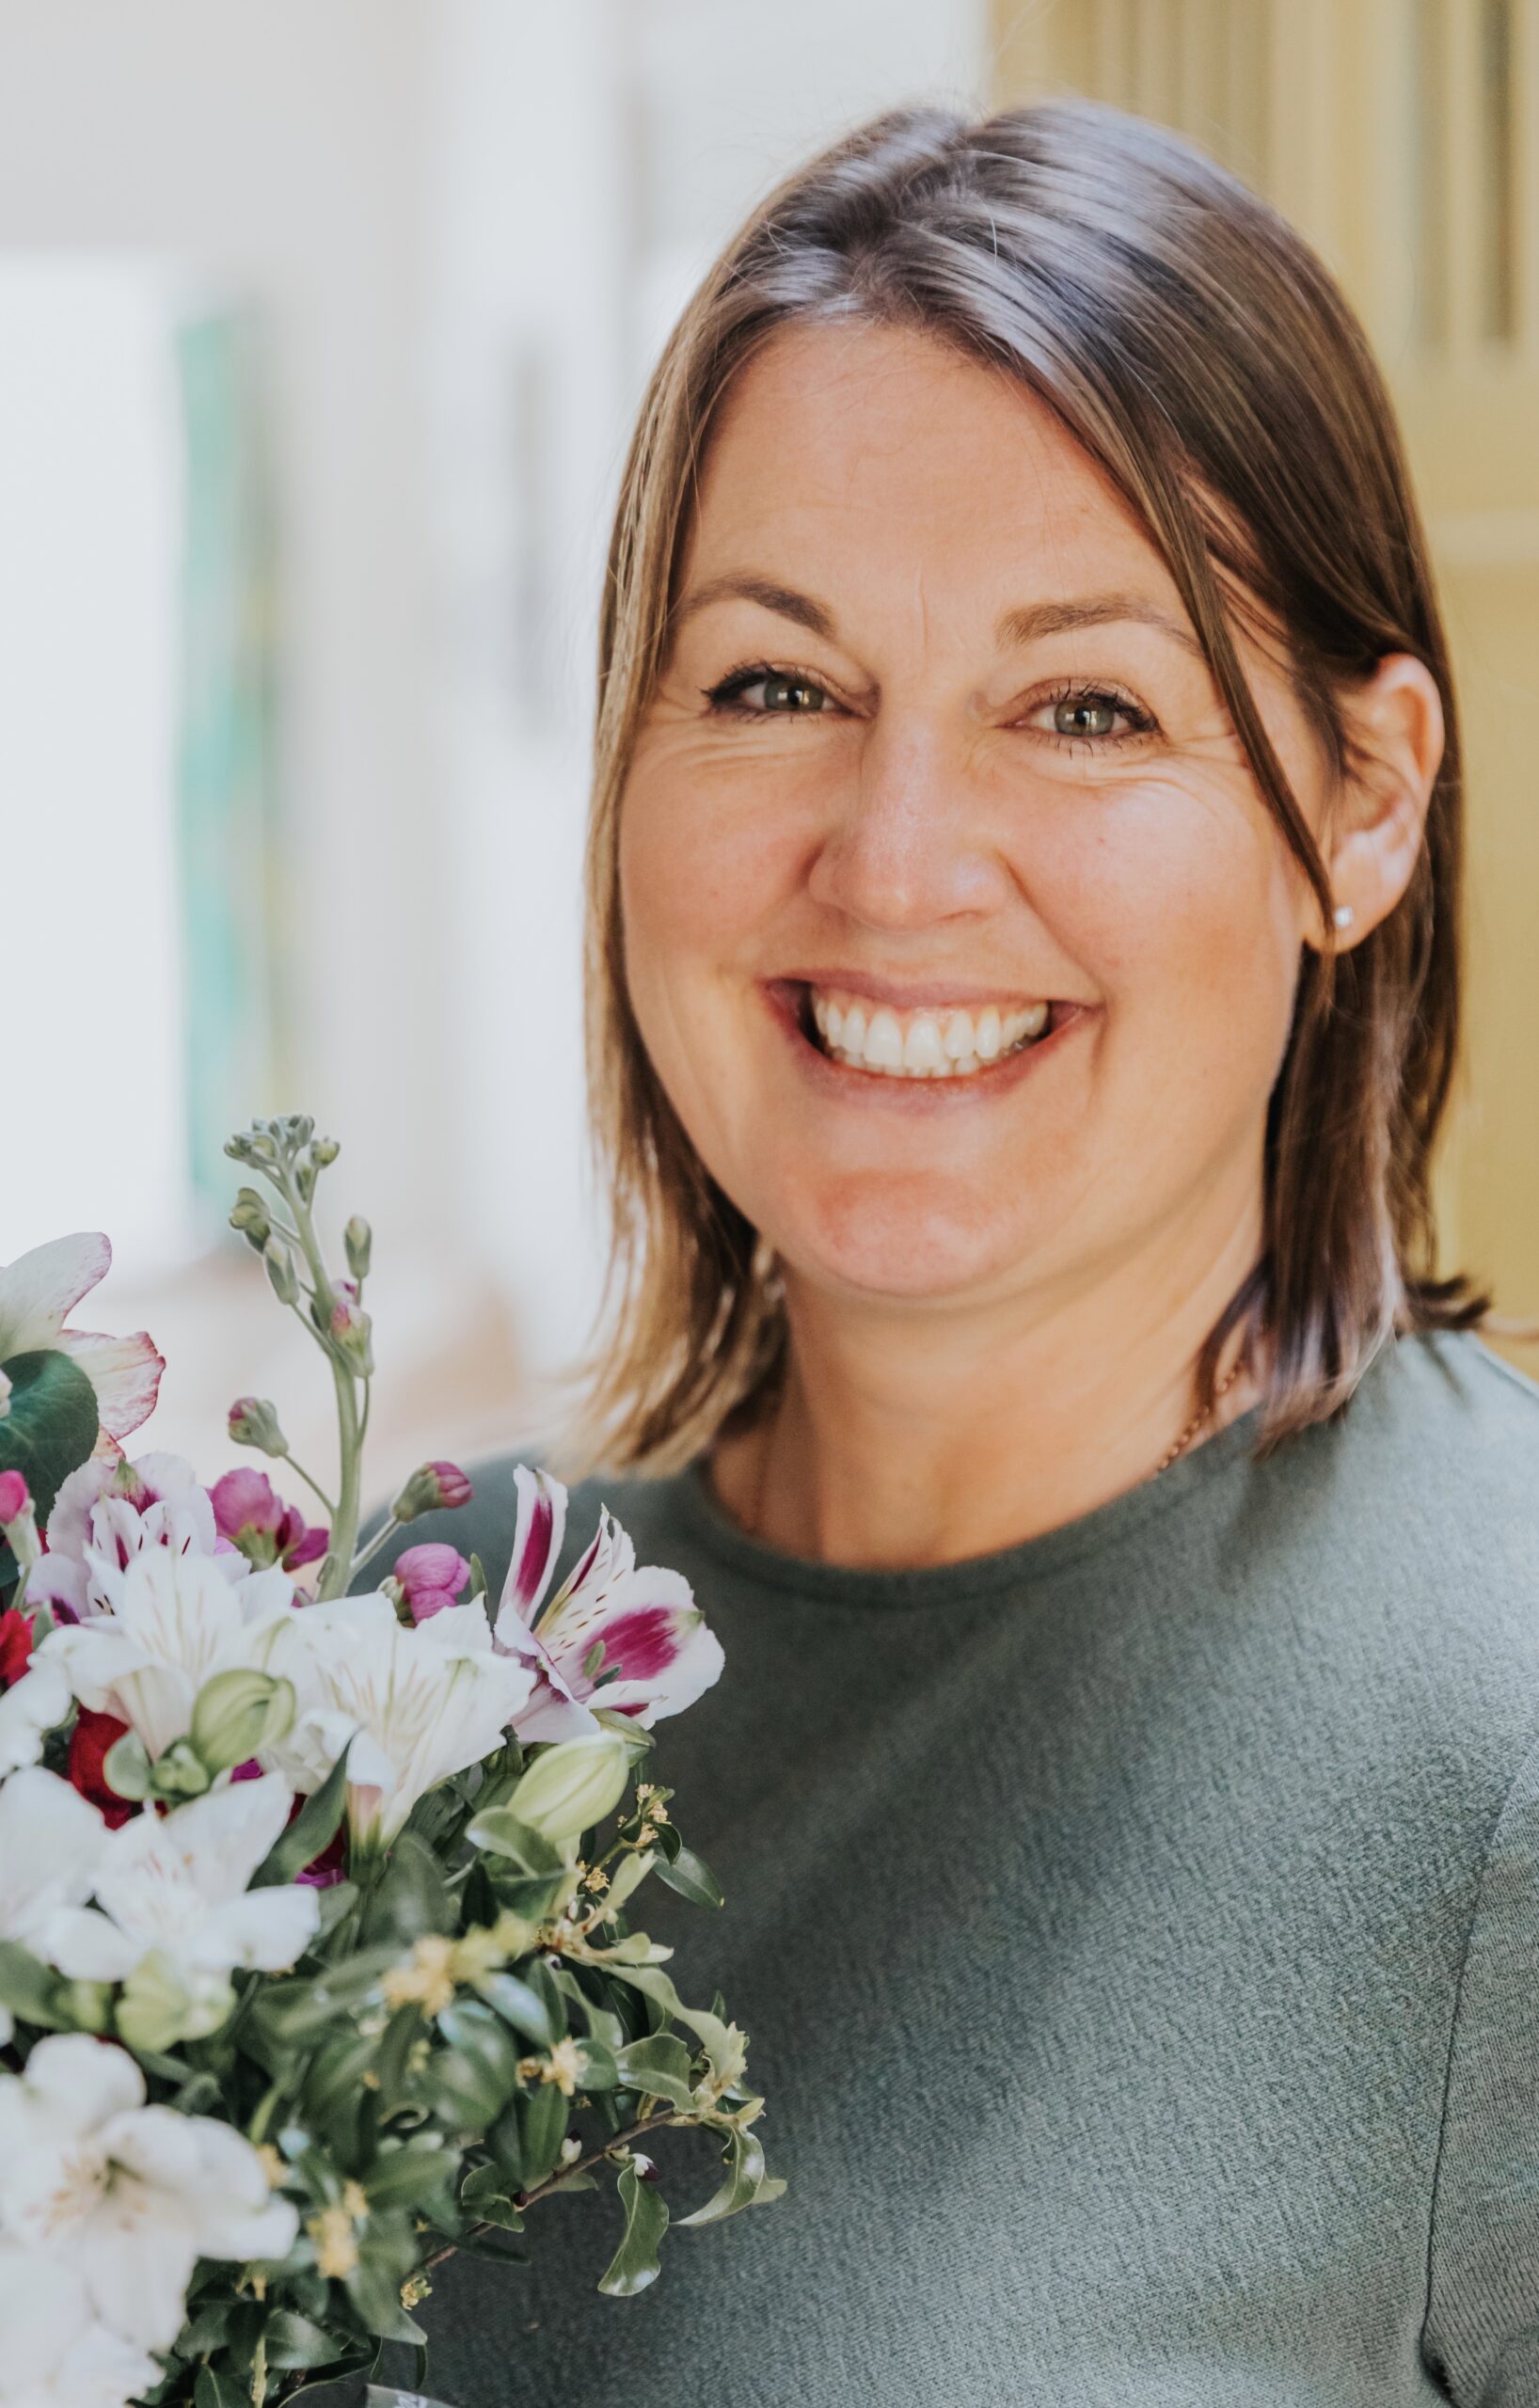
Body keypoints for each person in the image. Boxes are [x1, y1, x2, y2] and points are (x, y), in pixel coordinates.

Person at [394, 101, 1539, 2405]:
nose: (895, 858)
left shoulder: (1497, 1737)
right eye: (772, 683)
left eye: (1083, 706)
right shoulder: (395, 1657)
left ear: (1360, 801)